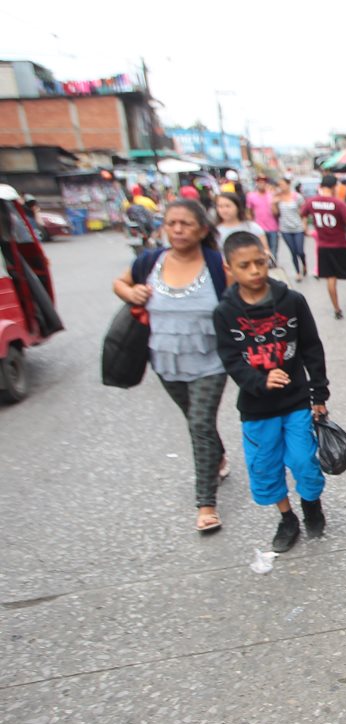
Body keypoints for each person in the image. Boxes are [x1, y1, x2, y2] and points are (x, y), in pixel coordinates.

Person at [111, 199, 231, 533]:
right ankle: (217, 456)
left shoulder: (217, 264)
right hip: (164, 361)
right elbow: (119, 283)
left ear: (203, 229)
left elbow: (241, 296)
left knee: (199, 424)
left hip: (211, 361)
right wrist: (130, 292)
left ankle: (206, 503)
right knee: (196, 422)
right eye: (172, 223)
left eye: (186, 224)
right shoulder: (149, 261)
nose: (177, 230)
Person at [213, 231, 331, 553]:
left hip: (296, 402)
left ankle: (311, 506)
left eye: (260, 262)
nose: (255, 271)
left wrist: (318, 395)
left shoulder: (292, 301)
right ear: (229, 268)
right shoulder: (225, 313)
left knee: (304, 461)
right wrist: (257, 381)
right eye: (245, 265)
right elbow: (230, 358)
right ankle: (287, 518)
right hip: (256, 408)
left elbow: (311, 348)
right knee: (265, 466)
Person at [302, 175, 346, 320]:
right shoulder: (338, 204)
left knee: (330, 278)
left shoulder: (311, 202)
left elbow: (303, 214)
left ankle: (337, 310)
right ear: (334, 187)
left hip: (323, 246)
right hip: (340, 245)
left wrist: (306, 229)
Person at [273, 177, 307, 280]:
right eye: (279, 185)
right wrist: (273, 203)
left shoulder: (297, 197)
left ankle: (304, 265)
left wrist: (304, 224)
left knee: (300, 250)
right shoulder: (278, 198)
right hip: (285, 229)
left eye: (283, 184)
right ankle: (297, 272)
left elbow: (304, 212)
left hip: (298, 228)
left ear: (288, 184)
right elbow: (275, 214)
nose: (281, 187)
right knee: (293, 251)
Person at [245, 175, 280, 259]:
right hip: (259, 228)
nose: (261, 184)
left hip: (273, 228)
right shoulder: (251, 196)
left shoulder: (272, 195)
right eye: (259, 182)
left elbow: (277, 213)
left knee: (273, 251)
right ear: (256, 183)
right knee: (261, 251)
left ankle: (273, 267)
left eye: (263, 182)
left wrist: (273, 203)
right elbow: (249, 212)